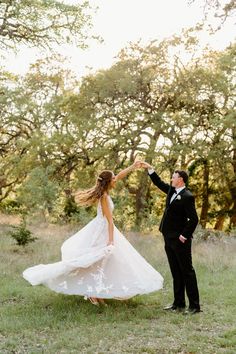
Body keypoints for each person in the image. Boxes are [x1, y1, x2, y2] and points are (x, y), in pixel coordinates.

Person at [23, 162, 163, 306]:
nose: (116, 180)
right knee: (96, 260)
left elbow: (119, 176)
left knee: (103, 261)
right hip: (101, 230)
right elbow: (109, 220)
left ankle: (97, 292)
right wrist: (111, 240)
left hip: (103, 227)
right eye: (113, 179)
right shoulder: (103, 196)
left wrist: (133, 167)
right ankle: (93, 293)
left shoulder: (107, 191)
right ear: (108, 182)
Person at [138, 162, 201, 314]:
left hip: (180, 240)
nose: (171, 179)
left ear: (181, 179)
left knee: (187, 272)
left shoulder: (187, 196)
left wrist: (184, 236)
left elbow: (194, 219)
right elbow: (159, 182)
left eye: (173, 177)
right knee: (175, 272)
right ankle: (178, 304)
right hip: (168, 237)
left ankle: (194, 306)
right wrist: (149, 169)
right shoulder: (172, 191)